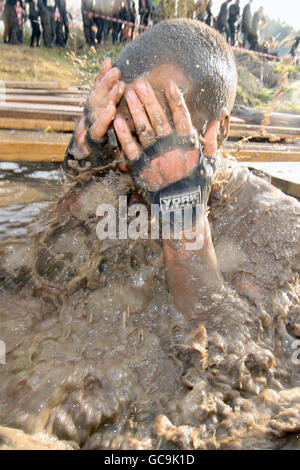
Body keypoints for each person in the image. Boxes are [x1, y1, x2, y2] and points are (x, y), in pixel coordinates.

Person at [65, 17, 300, 317]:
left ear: (220, 131)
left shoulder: (278, 224)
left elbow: (230, 352)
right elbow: (50, 280)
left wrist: (184, 222)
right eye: (120, 131)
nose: (126, 161)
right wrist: (81, 174)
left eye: (155, 135)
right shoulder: (116, 178)